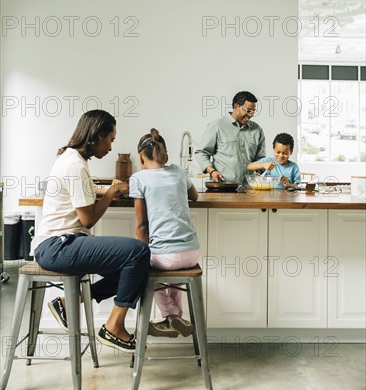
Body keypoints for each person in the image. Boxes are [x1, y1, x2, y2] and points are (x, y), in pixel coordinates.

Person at [31, 110, 150, 354]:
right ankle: (113, 327)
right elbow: (87, 220)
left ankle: (68, 302)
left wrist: (104, 188)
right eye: (110, 139)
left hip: (56, 244)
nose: (110, 146)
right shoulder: (75, 165)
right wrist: (109, 193)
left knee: (136, 269)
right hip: (58, 247)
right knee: (138, 252)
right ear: (97, 135)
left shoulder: (71, 158)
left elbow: (81, 188)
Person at [129, 128, 200, 338]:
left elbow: (141, 225)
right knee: (175, 275)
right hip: (192, 252)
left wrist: (143, 255)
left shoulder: (138, 179)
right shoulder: (179, 171)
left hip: (166, 257)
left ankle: (169, 315)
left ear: (141, 157)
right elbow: (194, 196)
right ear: (165, 154)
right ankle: (176, 316)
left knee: (146, 271)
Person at [194, 90, 266, 186]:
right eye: (248, 110)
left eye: (253, 111)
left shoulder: (257, 130)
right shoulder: (217, 126)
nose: (251, 115)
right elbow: (201, 153)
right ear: (236, 107)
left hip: (249, 188)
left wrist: (260, 171)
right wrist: (212, 171)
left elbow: (260, 159)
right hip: (223, 187)